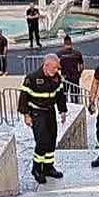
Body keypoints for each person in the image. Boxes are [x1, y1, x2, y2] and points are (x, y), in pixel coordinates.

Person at [18, 54, 68, 184]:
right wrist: (26, 115)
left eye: (57, 68)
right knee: (42, 141)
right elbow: (23, 98)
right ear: (46, 65)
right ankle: (36, 168)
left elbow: (60, 95)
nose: (56, 70)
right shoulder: (32, 78)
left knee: (52, 139)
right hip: (37, 113)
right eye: (54, 68)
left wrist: (62, 110)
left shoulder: (56, 78)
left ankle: (48, 167)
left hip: (50, 112)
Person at [56, 35, 84, 103]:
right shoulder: (77, 53)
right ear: (71, 43)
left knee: (64, 94)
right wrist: (79, 73)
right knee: (75, 94)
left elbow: (56, 65)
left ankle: (66, 107)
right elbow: (82, 65)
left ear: (64, 43)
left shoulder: (59, 54)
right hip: (75, 76)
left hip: (64, 77)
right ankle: (77, 106)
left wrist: (60, 68)